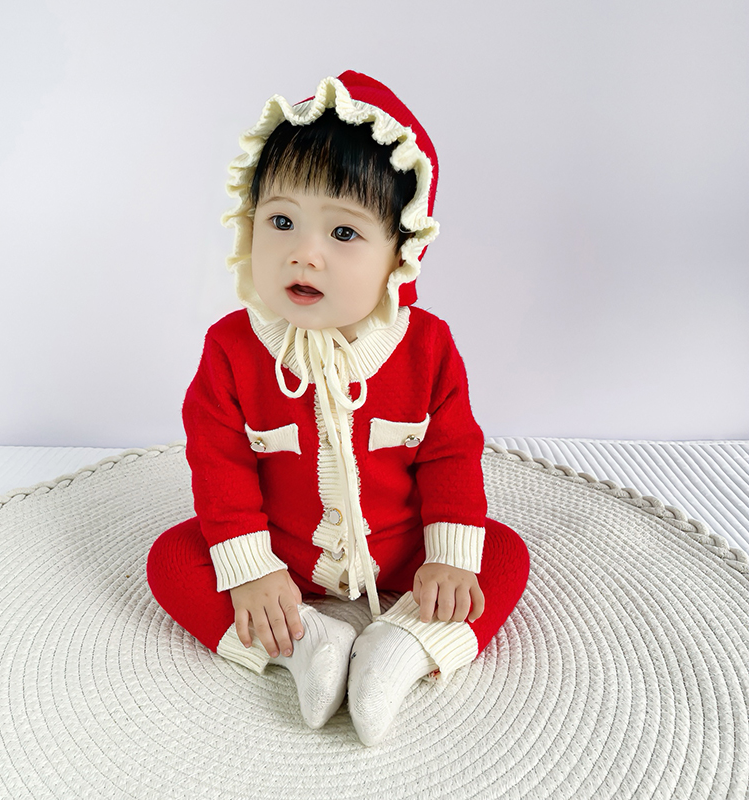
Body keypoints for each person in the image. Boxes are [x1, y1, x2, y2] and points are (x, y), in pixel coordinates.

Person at [147, 70, 530, 746]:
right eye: (282, 221)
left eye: (344, 233)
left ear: (401, 254)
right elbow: (219, 461)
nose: (305, 253)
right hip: (285, 556)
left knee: (499, 552)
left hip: (400, 552)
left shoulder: (427, 347)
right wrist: (252, 568)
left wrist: (446, 556)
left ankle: (403, 644)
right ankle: (304, 643)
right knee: (172, 559)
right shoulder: (233, 348)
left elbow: (451, 456)